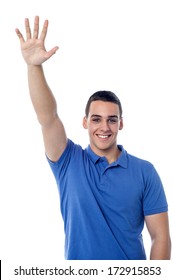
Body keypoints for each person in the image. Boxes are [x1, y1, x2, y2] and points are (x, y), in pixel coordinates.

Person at [15, 16, 171, 260]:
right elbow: (47, 116)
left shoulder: (145, 171)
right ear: (85, 122)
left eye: (111, 119)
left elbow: (160, 237)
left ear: (121, 123)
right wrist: (34, 66)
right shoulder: (68, 161)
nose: (104, 127)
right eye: (96, 119)